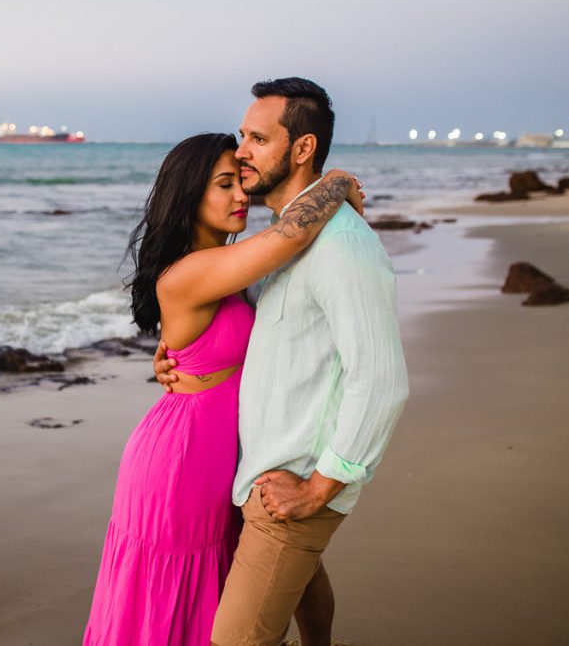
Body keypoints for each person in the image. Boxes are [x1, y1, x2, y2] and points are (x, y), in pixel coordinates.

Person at [154, 78, 410, 646]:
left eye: (257, 138)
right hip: (258, 470)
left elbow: (382, 380)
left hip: (292, 482)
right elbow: (239, 325)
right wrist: (183, 354)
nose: (241, 150)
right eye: (242, 135)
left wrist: (322, 485)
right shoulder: (278, 241)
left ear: (302, 149)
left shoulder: (340, 244)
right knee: (300, 595)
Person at [83, 130, 363, 646]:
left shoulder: (225, 271)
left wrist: (180, 357)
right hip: (183, 465)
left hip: (225, 449)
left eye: (241, 182)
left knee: (288, 570)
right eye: (224, 184)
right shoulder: (190, 272)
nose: (242, 197)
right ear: (190, 195)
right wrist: (338, 181)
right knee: (188, 598)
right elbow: (292, 234)